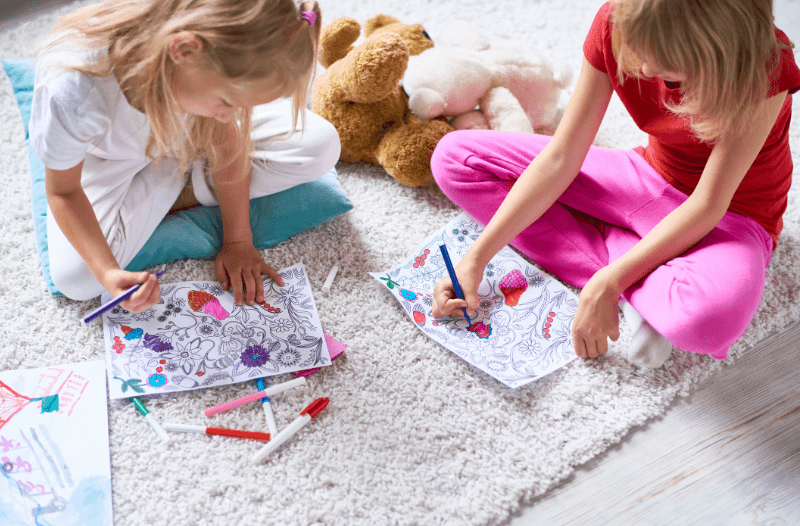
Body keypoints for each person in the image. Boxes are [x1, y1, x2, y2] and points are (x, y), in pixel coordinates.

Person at [430, 0, 800, 368]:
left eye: (667, 64)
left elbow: (708, 204)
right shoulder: (618, 20)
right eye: (639, 49)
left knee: (705, 323)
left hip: (731, 217)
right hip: (645, 178)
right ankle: (647, 284)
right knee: (453, 159)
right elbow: (562, 156)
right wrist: (475, 260)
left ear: (712, 49)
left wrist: (609, 282)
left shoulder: (764, 66)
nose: (644, 68)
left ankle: (623, 258)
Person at [30, 0, 340, 312]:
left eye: (241, 105)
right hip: (111, 158)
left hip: (186, 135)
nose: (229, 115)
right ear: (182, 50)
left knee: (322, 144)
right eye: (228, 100)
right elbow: (64, 192)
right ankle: (179, 185)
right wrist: (108, 273)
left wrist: (238, 241)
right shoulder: (74, 90)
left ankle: (171, 191)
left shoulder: (203, 74)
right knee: (79, 279)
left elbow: (226, 138)